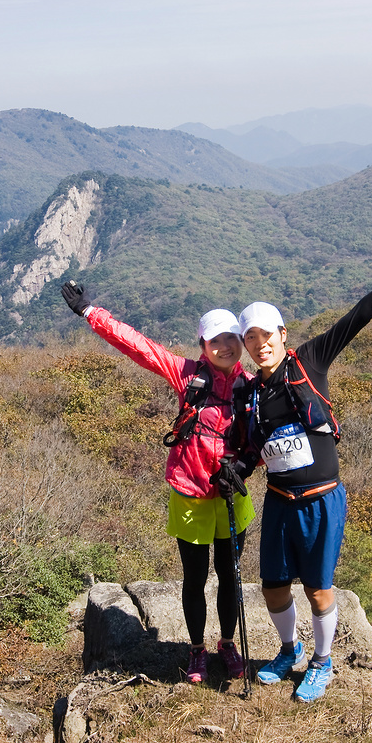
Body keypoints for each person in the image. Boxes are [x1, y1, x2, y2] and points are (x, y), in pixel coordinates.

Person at [235, 226, 372, 703]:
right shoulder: (251, 392)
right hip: (280, 501)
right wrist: (235, 470)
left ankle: (322, 663)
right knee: (272, 587)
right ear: (245, 345)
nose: (260, 344)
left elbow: (356, 318)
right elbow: (248, 447)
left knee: (320, 592)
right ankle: (289, 650)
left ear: (282, 335)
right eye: (251, 339)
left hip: (322, 500)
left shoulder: (309, 360)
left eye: (267, 336)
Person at [60, 281, 256, 685]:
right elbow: (138, 345)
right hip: (189, 491)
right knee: (195, 577)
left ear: (241, 341)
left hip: (229, 493)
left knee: (230, 572)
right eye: (215, 340)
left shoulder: (250, 387)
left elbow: (265, 433)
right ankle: (197, 650)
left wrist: (244, 466)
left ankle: (227, 643)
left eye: (232, 338)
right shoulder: (187, 375)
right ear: (202, 345)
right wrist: (89, 312)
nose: (225, 346)